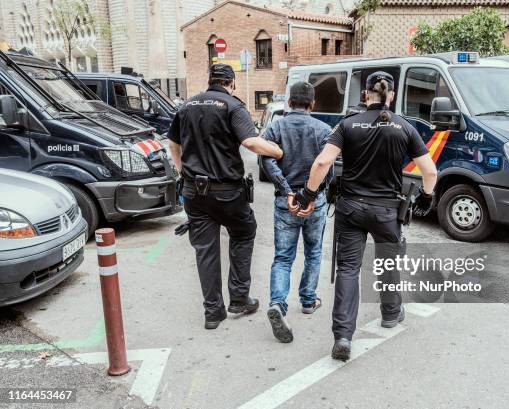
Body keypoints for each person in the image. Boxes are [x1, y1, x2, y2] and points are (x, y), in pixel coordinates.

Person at [295, 71, 438, 361]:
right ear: (393, 95)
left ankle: (344, 337)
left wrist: (308, 195)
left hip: (351, 208)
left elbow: (323, 161)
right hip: (387, 210)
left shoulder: (347, 125)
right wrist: (426, 196)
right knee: (388, 262)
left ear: (366, 95)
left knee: (348, 269)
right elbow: (430, 171)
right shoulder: (404, 127)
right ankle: (390, 314)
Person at [167, 64, 284, 330]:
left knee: (205, 251)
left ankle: (212, 313)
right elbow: (252, 142)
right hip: (227, 192)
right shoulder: (232, 105)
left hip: (194, 192)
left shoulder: (186, 106)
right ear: (231, 83)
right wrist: (278, 152)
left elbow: (173, 144)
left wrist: (182, 170)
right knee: (243, 233)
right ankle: (240, 298)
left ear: (210, 81)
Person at [261, 81, 332, 343]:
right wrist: (312, 195)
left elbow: (266, 159)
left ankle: (278, 304)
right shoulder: (323, 129)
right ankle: (308, 300)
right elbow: (328, 168)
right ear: (312, 104)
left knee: (282, 257)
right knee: (313, 253)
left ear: (289, 103)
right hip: (315, 202)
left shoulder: (276, 127)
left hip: (285, 201)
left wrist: (288, 190)